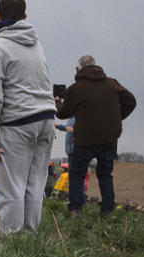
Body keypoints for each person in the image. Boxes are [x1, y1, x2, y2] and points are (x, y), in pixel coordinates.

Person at [0, 0, 56, 234]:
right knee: (34, 184)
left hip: (18, 122)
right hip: (46, 120)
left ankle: (12, 245)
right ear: (24, 17)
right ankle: (30, 240)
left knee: (11, 187)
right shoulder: (37, 44)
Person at [55, 55, 137, 218]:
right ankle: (107, 209)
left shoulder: (76, 88)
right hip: (108, 137)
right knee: (105, 173)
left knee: (77, 174)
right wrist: (116, 117)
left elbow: (63, 113)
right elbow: (131, 101)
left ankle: (75, 209)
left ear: (78, 69)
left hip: (84, 139)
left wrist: (57, 102)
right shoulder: (112, 84)